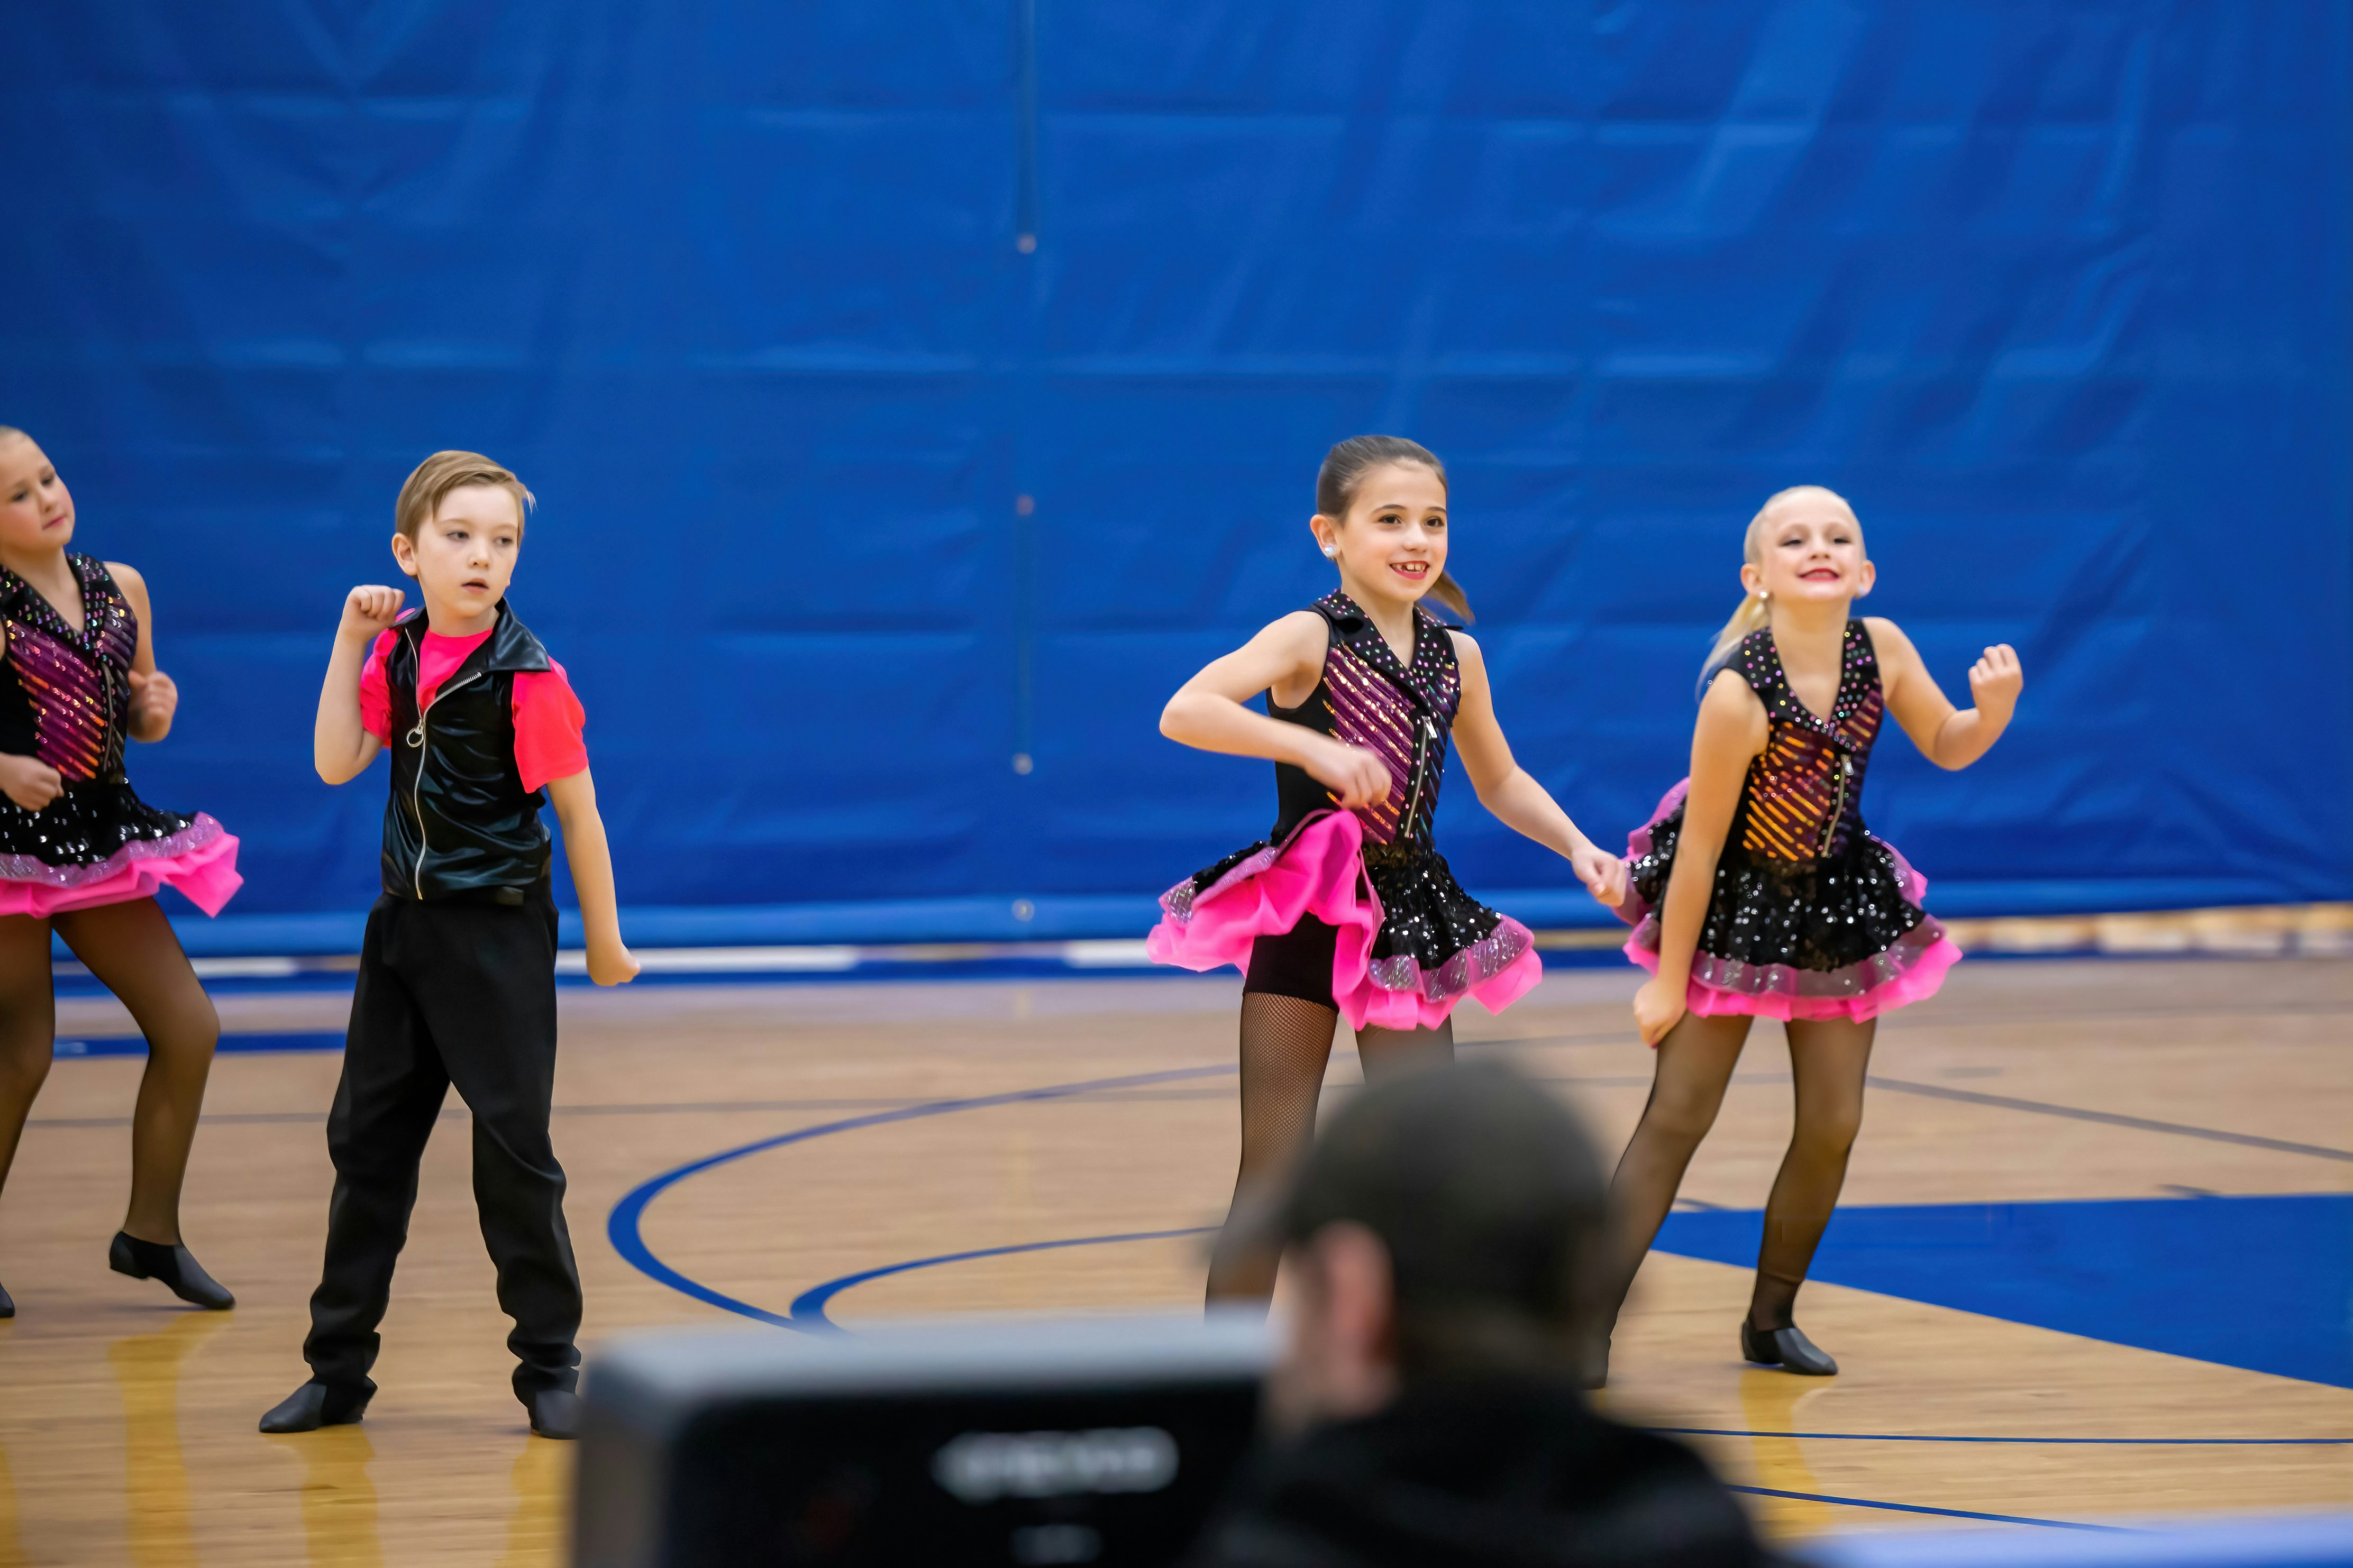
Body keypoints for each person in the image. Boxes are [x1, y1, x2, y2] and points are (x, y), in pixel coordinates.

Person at [1148, 436, 1625, 1304]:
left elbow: (1501, 779)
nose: (1416, 539)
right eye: (1389, 520)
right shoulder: (1307, 635)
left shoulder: (1456, 657)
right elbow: (1186, 710)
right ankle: (1223, 1387)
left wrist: (1575, 845)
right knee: (1274, 1172)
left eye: (1433, 521)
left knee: (1427, 1171)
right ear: (1328, 534)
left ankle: (1425, 1379)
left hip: (1404, 924)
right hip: (1308, 913)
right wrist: (1307, 746)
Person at [1599, 485, 2022, 1381]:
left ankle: (1770, 1320)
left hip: (1833, 904)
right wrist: (1667, 983)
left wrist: (1991, 714)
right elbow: (1702, 849)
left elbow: (1945, 741)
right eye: (1793, 540)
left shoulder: (1883, 649)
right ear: (1757, 577)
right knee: (1677, 1116)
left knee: (1832, 1123)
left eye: (1837, 537)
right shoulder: (1735, 694)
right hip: (1730, 906)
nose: (1817, 548)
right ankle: (1577, 1325)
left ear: (1863, 572)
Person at [261, 451, 637, 1441]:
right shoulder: (393, 654)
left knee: (517, 1161)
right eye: (460, 537)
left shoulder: (533, 678)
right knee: (368, 1152)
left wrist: (604, 940)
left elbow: (581, 818)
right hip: (403, 937)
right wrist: (348, 642)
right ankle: (336, 1373)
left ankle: (550, 1368)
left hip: (499, 940)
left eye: (503, 541)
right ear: (408, 552)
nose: (482, 557)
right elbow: (337, 762)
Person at [1185, 1060, 1770, 1568]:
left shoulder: (1265, 1540)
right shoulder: (1702, 1528)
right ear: (1590, 1286)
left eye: (1302, 1292)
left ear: (1351, 1300)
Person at [0, 427, 243, 1321]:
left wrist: (151, 708)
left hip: (97, 839)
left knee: (189, 1026)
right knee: (19, 1053)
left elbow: (135, 724)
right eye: (18, 495)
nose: (48, 498)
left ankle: (150, 1233)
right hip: (6, 851)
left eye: (49, 476)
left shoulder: (120, 587)